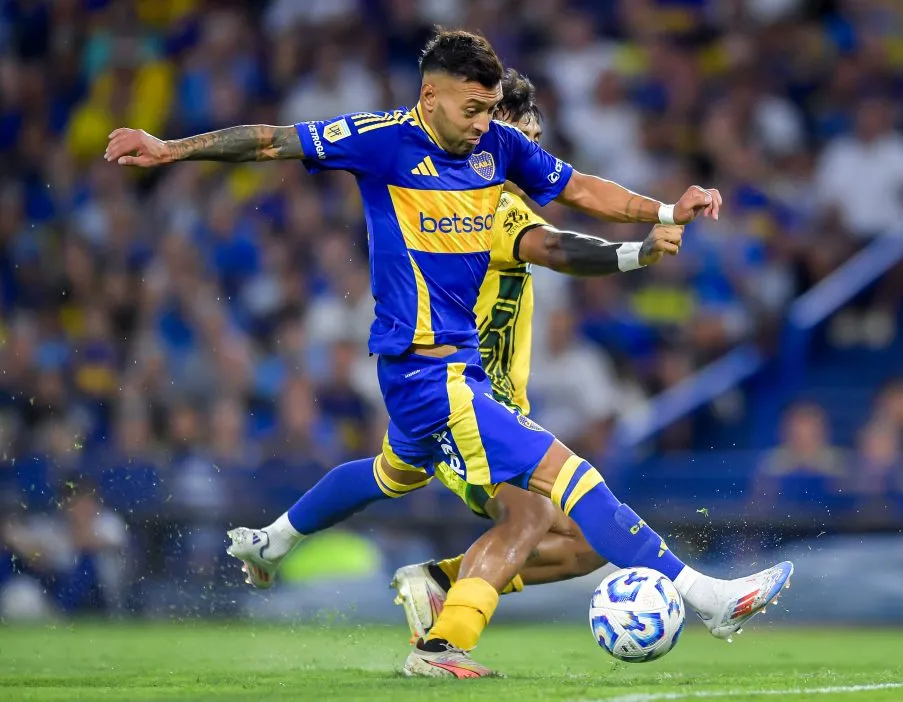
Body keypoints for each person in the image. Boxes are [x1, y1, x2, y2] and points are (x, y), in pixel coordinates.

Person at [105, 29, 792, 678]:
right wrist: (170, 149)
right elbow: (270, 141)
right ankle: (702, 597)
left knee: (394, 470)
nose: (483, 122)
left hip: (445, 371)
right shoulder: (380, 141)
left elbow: (580, 189)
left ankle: (275, 539)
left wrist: (667, 213)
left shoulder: (497, 147)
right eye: (472, 107)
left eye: (493, 108)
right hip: (430, 370)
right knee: (564, 482)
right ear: (430, 96)